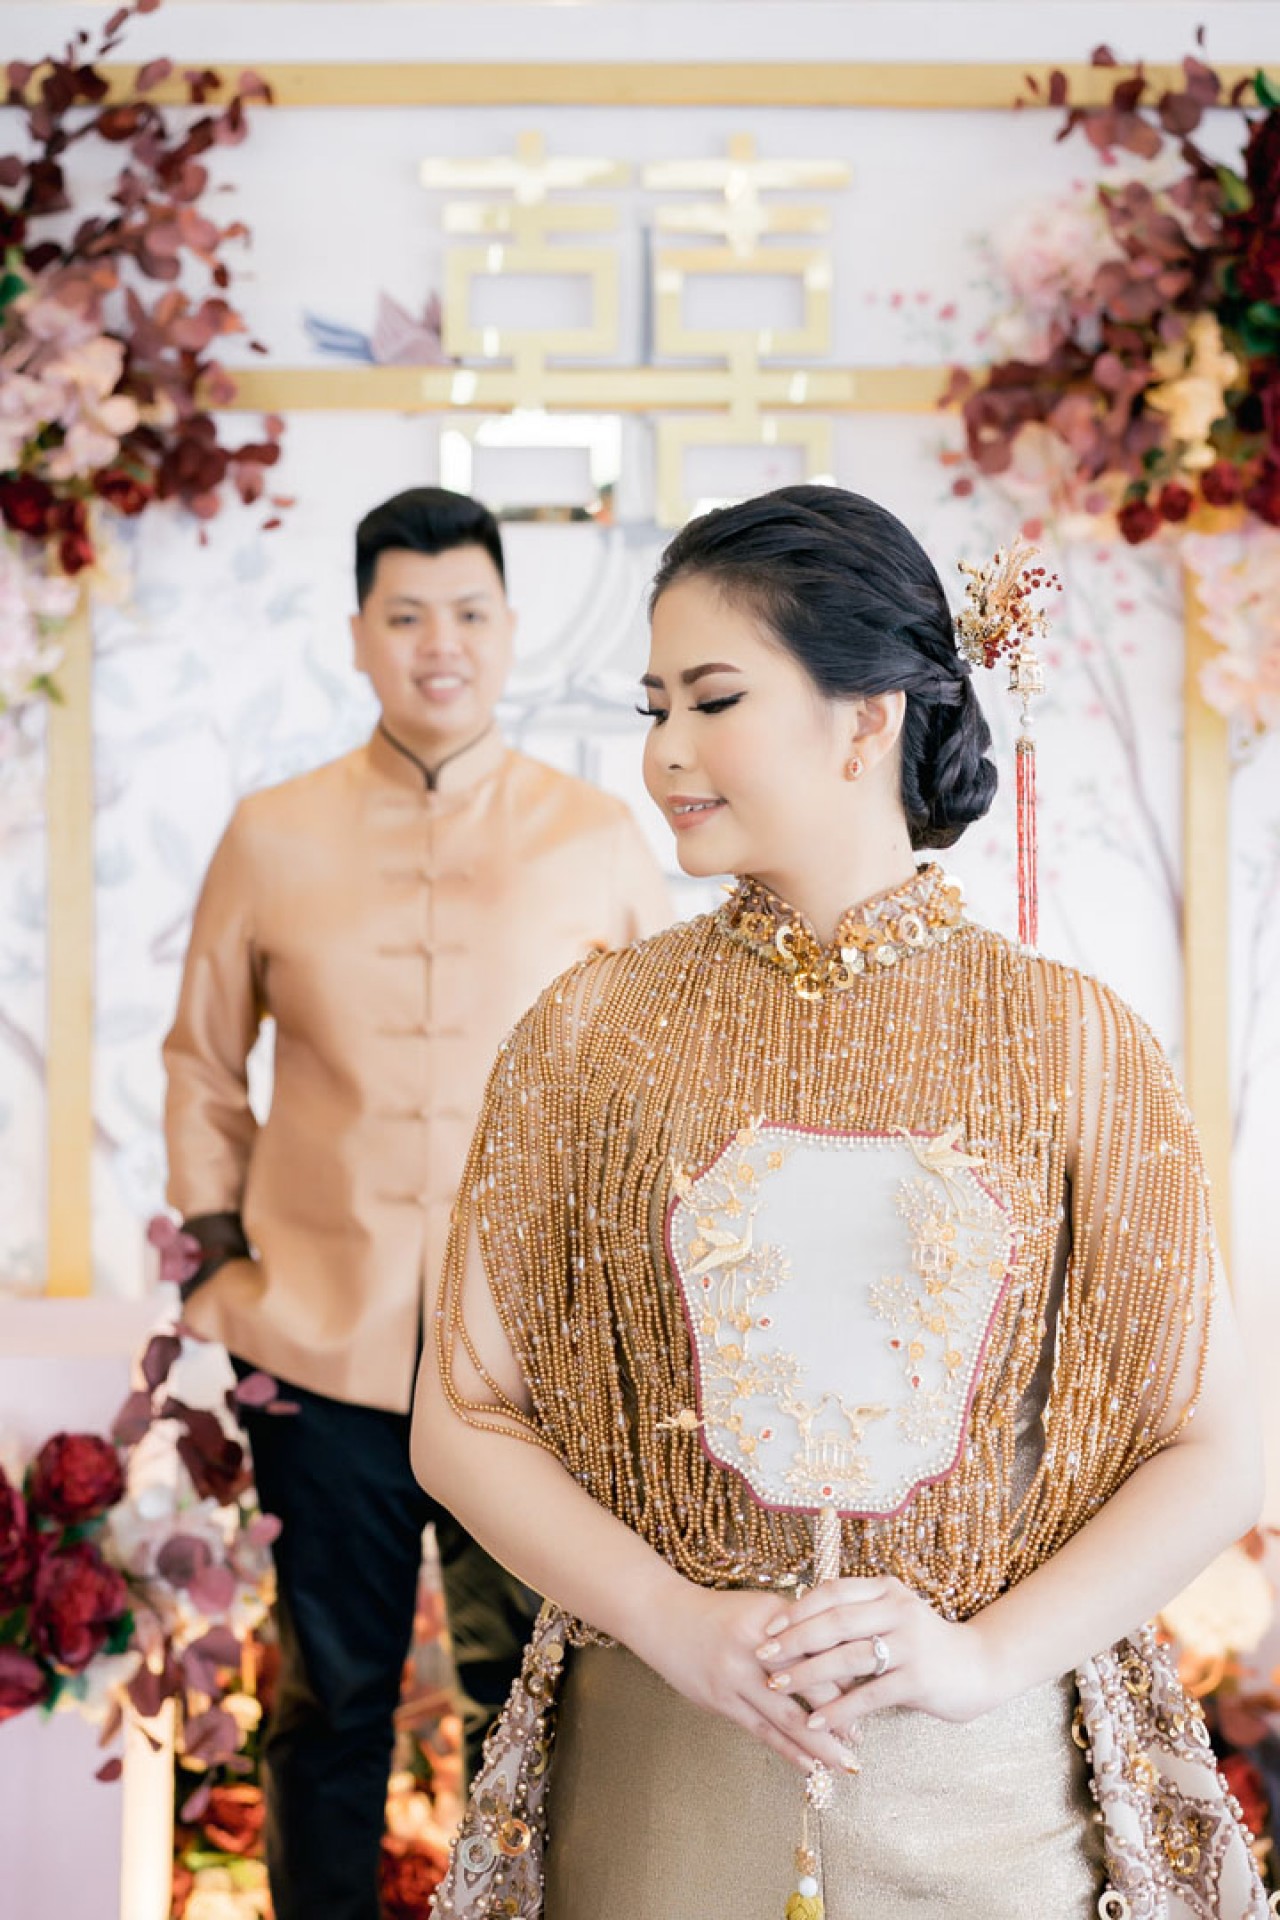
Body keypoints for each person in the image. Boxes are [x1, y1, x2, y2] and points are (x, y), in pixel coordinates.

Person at [410, 484, 1264, 1919]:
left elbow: (1214, 1449)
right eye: (655, 709)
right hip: (659, 1790)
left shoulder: (1072, 1041)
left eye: (714, 700)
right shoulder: (590, 1033)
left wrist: (983, 1656)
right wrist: (676, 1618)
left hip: (992, 1809)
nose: (666, 751)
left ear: (868, 719)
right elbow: (464, 1415)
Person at [163, 485, 671, 1920]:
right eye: (405, 616)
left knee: (538, 1702)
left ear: (508, 629)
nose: (438, 643)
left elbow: (662, 1081)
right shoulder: (271, 834)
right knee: (329, 1697)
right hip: (318, 1346)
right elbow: (201, 1060)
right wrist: (214, 1255)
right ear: (358, 635)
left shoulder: (596, 838)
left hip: (530, 1367)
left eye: (467, 613)